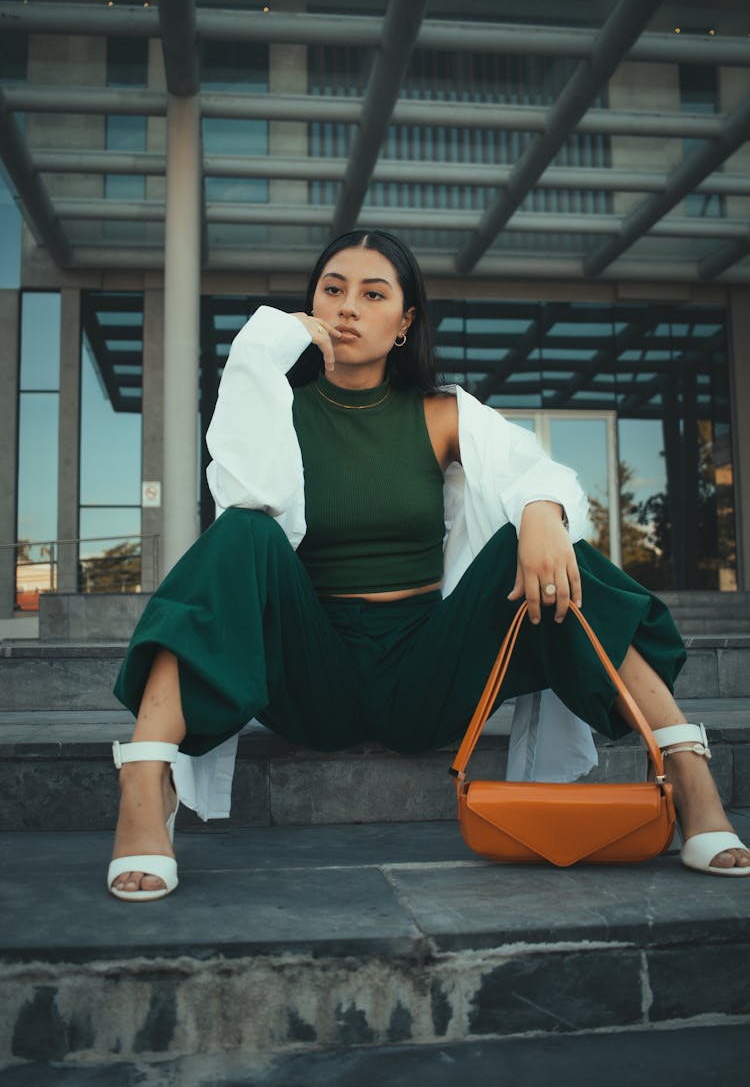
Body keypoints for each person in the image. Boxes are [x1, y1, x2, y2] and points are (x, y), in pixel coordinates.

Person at [108, 230, 750, 901]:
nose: (348, 307)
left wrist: (538, 513)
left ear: (406, 321)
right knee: (242, 532)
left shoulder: (442, 412)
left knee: (541, 541)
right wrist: (262, 352)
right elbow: (245, 489)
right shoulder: (278, 409)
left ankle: (685, 768)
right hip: (310, 665)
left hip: (422, 668)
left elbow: (535, 470)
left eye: (373, 292)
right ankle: (145, 779)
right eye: (333, 289)